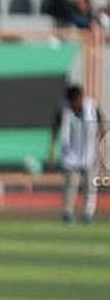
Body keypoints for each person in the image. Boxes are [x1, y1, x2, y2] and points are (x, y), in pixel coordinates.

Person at [48, 85, 105, 224]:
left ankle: (88, 214)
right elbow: (54, 130)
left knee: (90, 186)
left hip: (90, 153)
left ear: (81, 97)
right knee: (71, 185)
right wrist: (51, 152)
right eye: (73, 102)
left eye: (78, 100)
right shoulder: (63, 110)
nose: (76, 104)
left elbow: (102, 126)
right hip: (71, 155)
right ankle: (68, 213)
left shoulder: (92, 107)